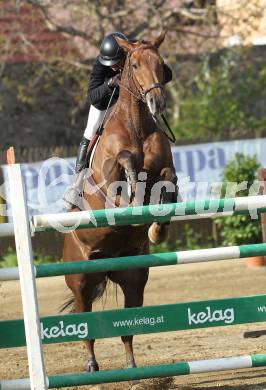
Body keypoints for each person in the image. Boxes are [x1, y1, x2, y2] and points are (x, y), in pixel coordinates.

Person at [64, 32, 172, 209]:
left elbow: (166, 74)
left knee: (154, 125)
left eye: (117, 63)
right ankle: (77, 184)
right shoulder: (100, 64)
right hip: (106, 103)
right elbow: (92, 96)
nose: (114, 66)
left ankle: (164, 167)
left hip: (134, 102)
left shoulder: (134, 53)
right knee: (90, 130)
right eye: (111, 64)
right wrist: (110, 84)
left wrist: (149, 58)